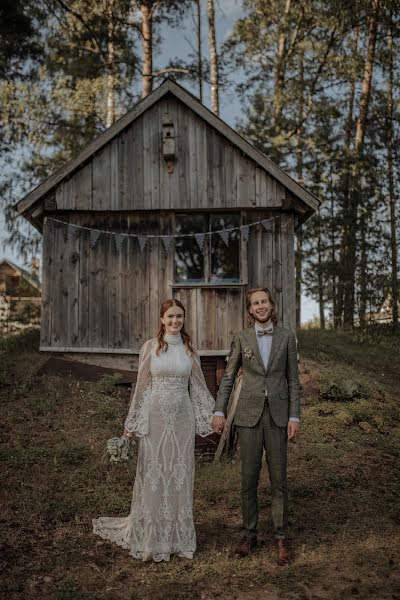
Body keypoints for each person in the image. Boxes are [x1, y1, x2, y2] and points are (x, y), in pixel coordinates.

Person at [93, 299, 215, 562]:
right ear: (162, 319)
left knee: (179, 473)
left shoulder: (190, 349)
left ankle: (177, 537)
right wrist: (131, 424)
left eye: (179, 316)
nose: (175, 321)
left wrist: (214, 415)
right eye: (170, 316)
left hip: (183, 419)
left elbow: (200, 387)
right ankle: (150, 534)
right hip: (155, 418)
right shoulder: (150, 347)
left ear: (184, 318)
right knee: (155, 472)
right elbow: (141, 388)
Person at [212, 287, 300, 565]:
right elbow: (227, 378)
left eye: (264, 302)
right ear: (250, 310)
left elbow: (294, 381)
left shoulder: (287, 337)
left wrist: (294, 416)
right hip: (248, 417)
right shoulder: (242, 338)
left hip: (277, 417)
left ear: (271, 306)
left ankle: (281, 536)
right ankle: (250, 534)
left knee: (279, 480)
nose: (260, 306)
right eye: (255, 303)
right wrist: (219, 410)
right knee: (248, 479)